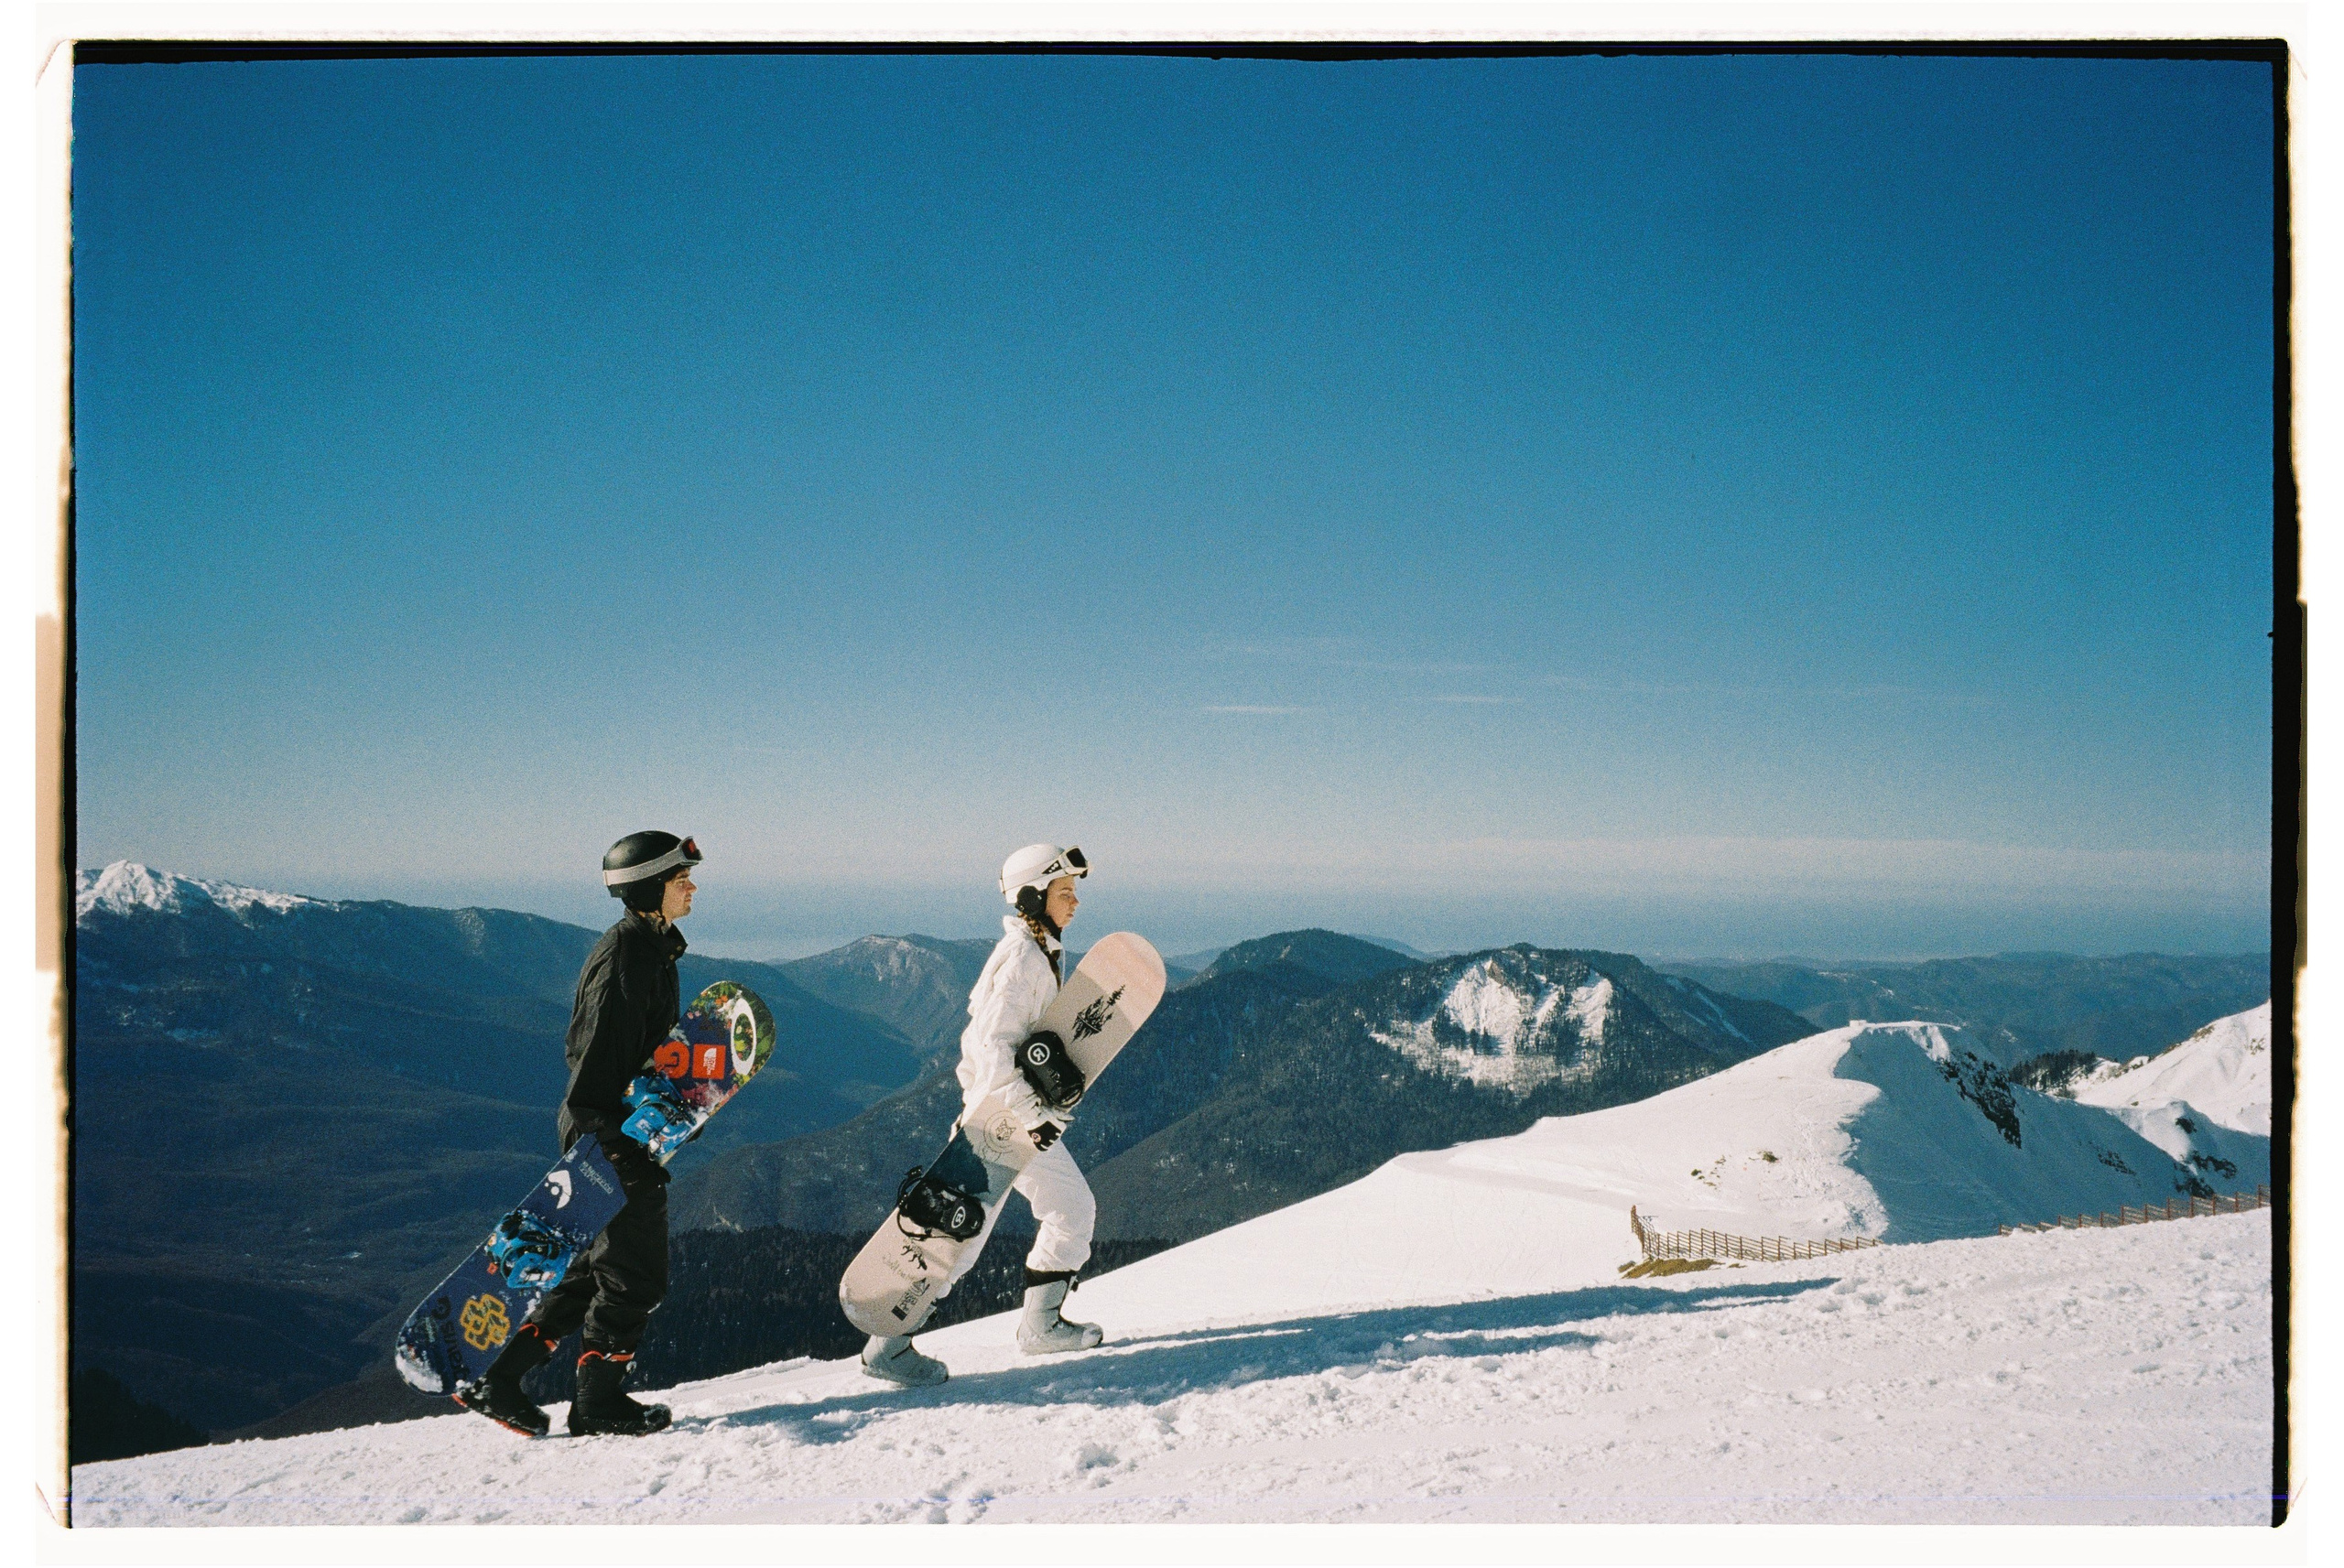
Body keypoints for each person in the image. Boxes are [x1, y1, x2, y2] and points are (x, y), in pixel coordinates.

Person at [456, 830, 701, 1437]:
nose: (692, 886)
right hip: (607, 1136)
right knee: (635, 1275)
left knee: (592, 1272)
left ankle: (500, 1377)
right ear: (649, 888)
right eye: (680, 878)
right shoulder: (628, 956)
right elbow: (592, 1060)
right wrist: (612, 1141)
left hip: (611, 1131)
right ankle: (597, 1401)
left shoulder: (651, 947)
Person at [861, 843, 1106, 1388]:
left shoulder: (1043, 949)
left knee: (1071, 1208)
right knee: (960, 1240)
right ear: (1032, 898)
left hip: (1019, 1116)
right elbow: (992, 1048)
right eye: (1065, 893)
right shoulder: (1020, 960)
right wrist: (1028, 1113)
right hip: (994, 1123)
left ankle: (1041, 1327)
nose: (1075, 903)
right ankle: (887, 1347)